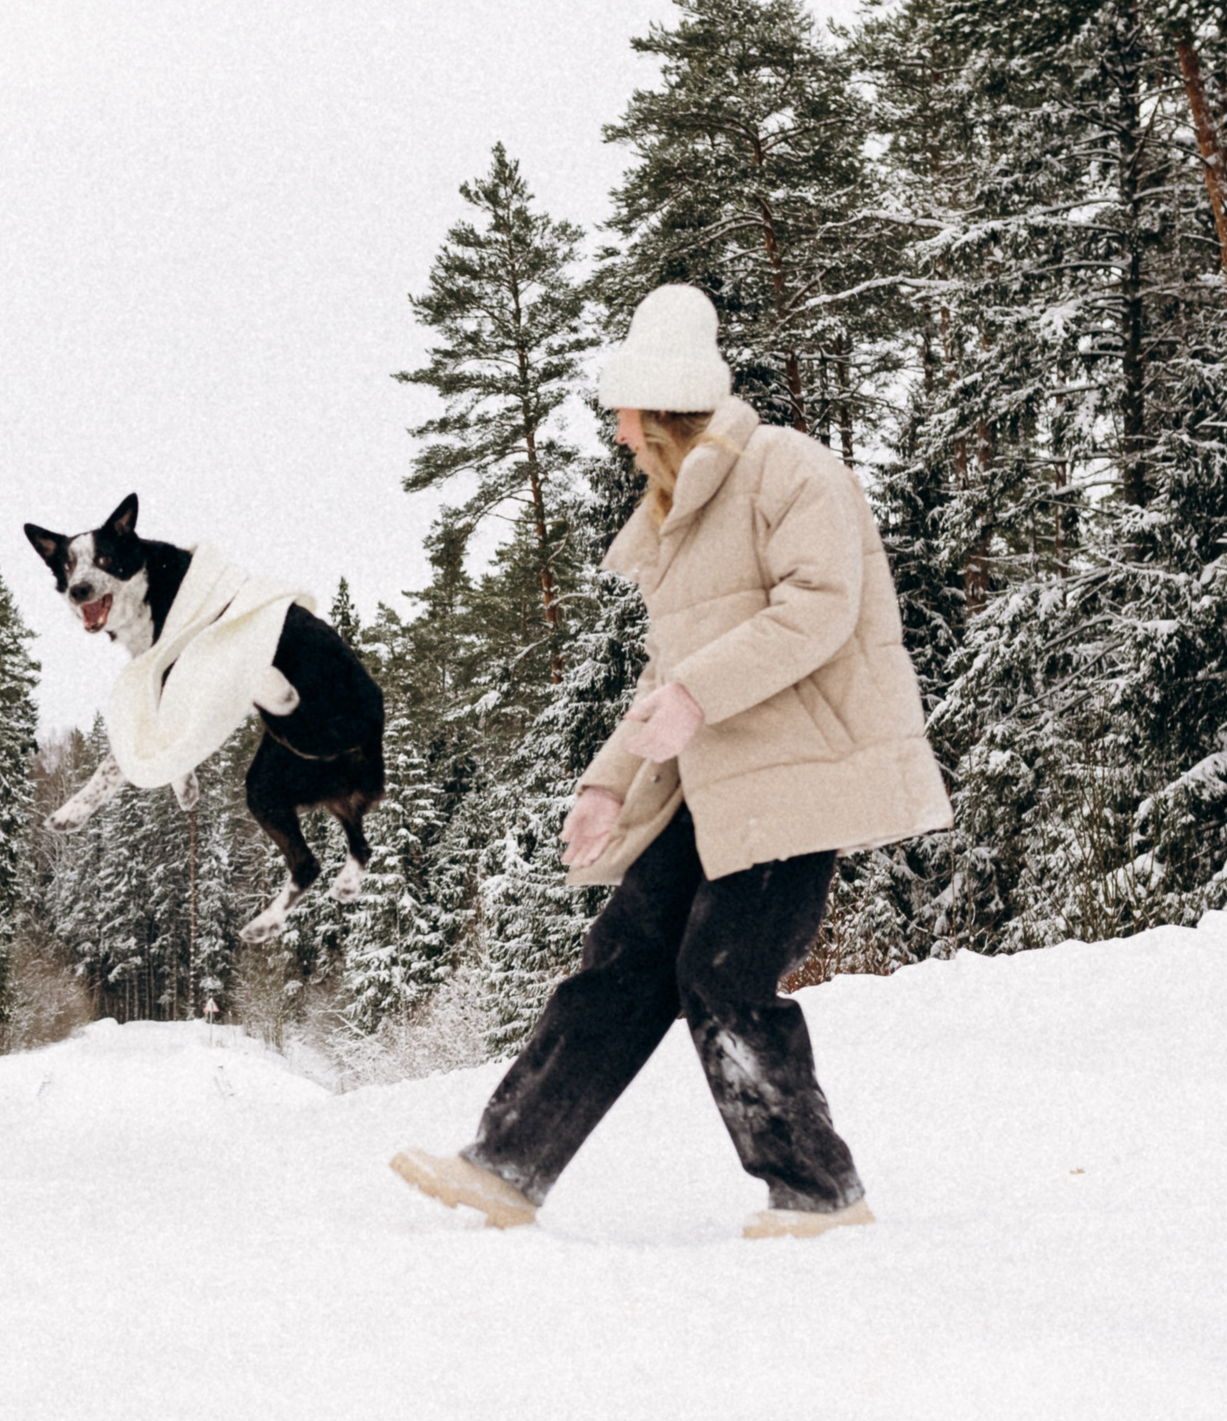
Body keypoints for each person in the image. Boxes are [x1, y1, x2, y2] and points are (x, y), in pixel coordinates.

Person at [391, 283, 951, 1239]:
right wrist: (608, 784)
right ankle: (507, 1164)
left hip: (797, 776)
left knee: (723, 972)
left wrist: (697, 697)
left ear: (660, 406)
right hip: (714, 782)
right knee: (618, 963)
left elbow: (820, 605)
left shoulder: (789, 470)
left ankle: (818, 1190)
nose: (616, 435)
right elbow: (667, 677)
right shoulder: (679, 521)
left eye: (623, 414)